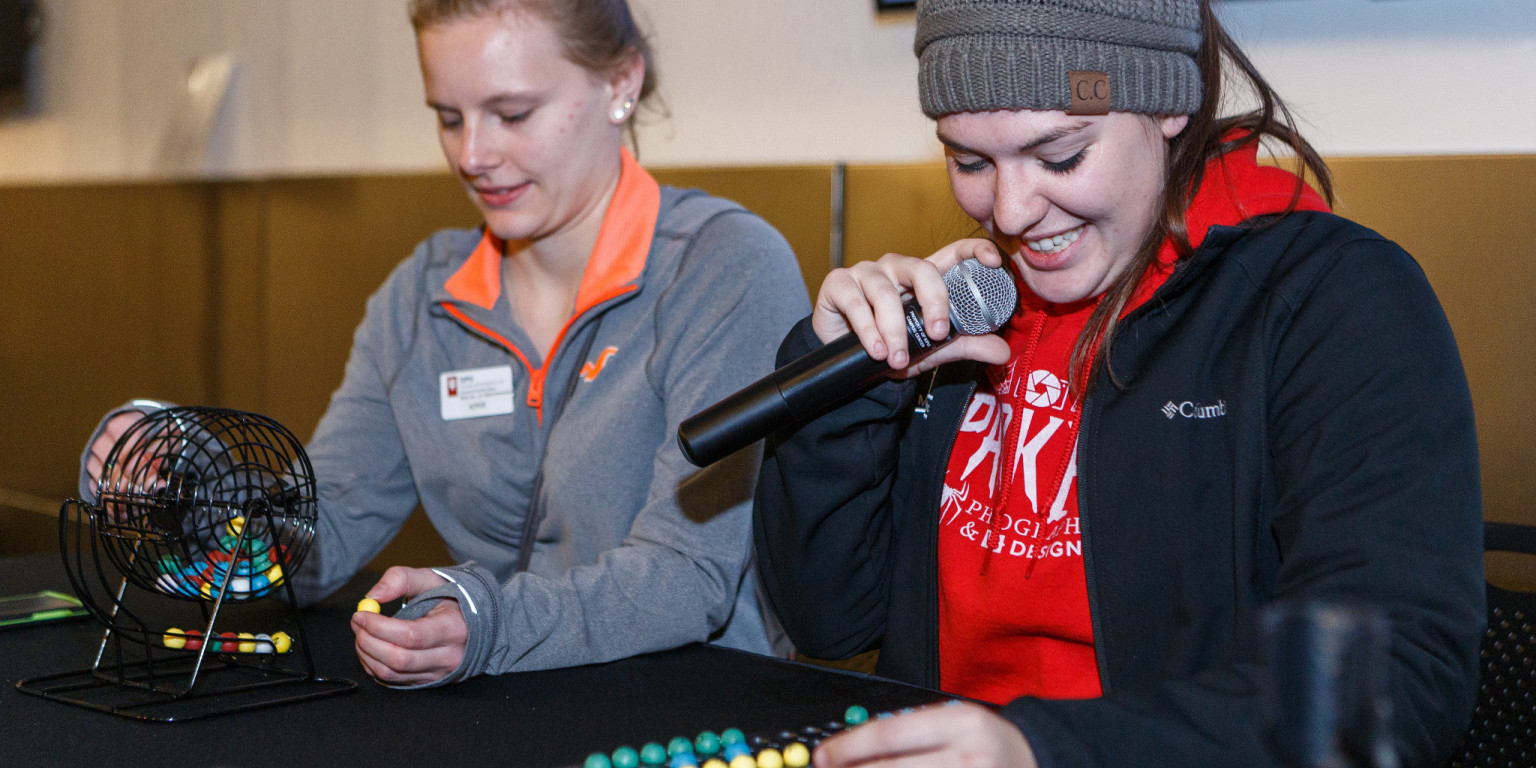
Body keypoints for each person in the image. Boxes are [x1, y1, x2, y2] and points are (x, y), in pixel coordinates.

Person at [753, 1, 1483, 766]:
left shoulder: (1329, 302)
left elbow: (1391, 684)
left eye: (1061, 156)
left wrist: (1043, 750)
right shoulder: (970, 309)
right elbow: (829, 623)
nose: (1009, 210)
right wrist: (846, 387)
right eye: (969, 161)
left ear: (1168, 103)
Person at [80, 0, 806, 688]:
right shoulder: (421, 297)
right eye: (448, 118)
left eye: (512, 114)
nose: (472, 154)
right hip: (500, 714)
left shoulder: (723, 267)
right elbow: (316, 533)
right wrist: (182, 486)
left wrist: (488, 623)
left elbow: (687, 578)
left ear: (621, 82)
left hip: (697, 713)